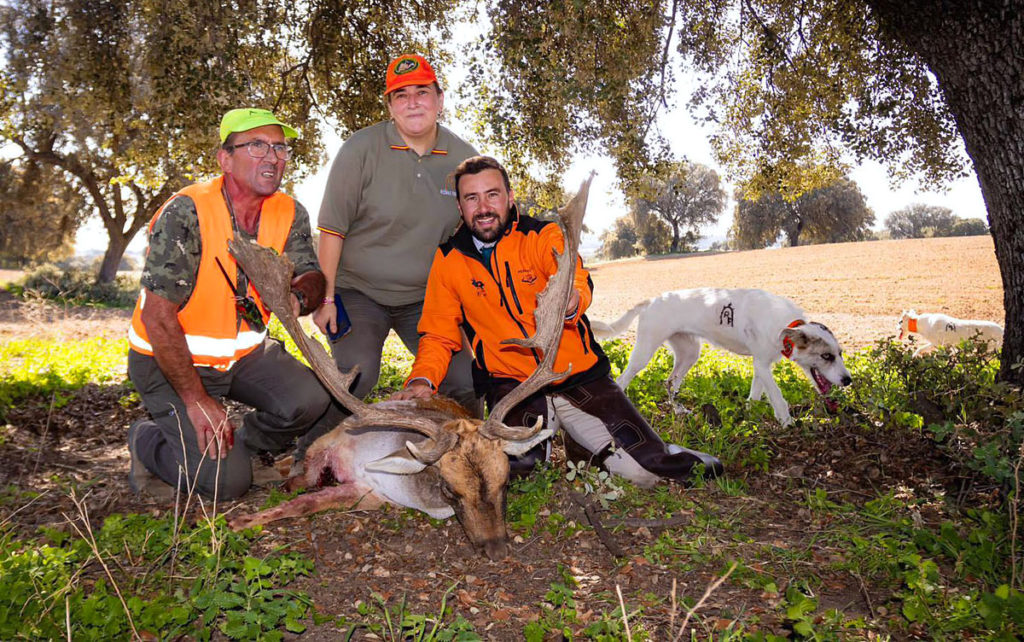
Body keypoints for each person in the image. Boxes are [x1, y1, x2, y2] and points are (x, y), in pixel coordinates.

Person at [392, 156, 723, 484]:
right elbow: (438, 332)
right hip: (514, 387)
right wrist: (422, 379)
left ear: (509, 197)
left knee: (647, 471)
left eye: (492, 194)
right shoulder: (449, 260)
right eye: (472, 198)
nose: (484, 207)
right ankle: (576, 443)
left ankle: (614, 447)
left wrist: (571, 300)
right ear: (460, 207)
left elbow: (574, 277)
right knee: (514, 475)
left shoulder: (542, 237)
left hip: (579, 378)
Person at [127, 108, 338, 501]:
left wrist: (299, 296)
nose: (273, 157)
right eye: (257, 145)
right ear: (225, 159)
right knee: (227, 484)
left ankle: (247, 448)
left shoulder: (289, 211)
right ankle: (147, 442)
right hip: (169, 361)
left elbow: (311, 274)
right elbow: (158, 317)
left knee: (311, 399)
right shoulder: (187, 211)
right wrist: (196, 400)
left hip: (244, 357)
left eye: (279, 147)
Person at [313, 54, 479, 412]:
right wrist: (326, 299)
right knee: (355, 374)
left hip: (425, 299)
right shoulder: (359, 150)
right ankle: (308, 456)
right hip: (357, 291)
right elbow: (331, 230)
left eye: (422, 92)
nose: (413, 102)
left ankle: (464, 455)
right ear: (390, 105)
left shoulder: (463, 160)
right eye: (401, 95)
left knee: (465, 380)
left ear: (440, 99)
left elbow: (475, 237)